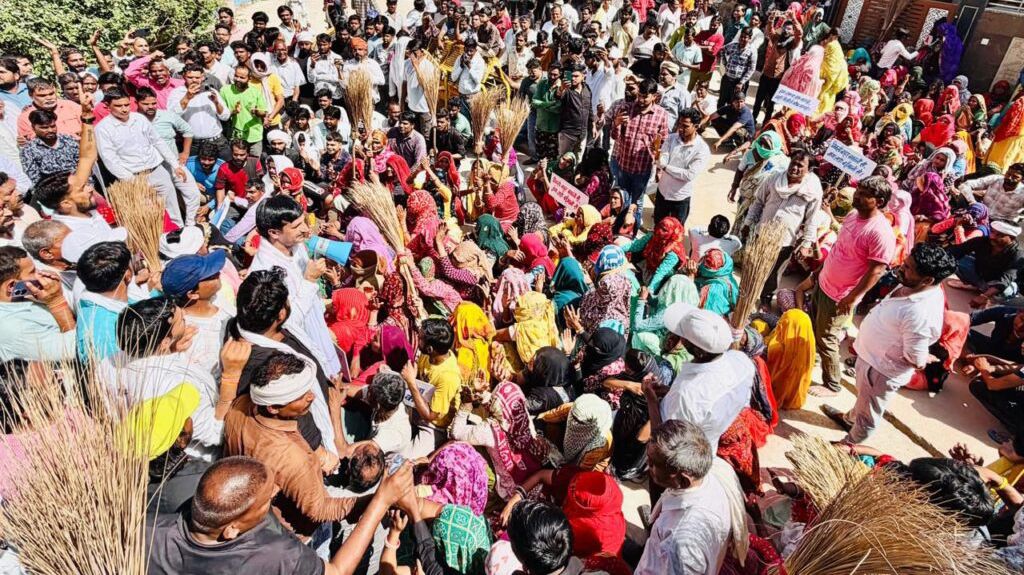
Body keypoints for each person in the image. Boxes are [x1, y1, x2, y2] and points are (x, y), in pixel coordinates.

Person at [146, 455, 415, 575]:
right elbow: (337, 571)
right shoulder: (273, 555)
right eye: (266, 500)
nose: (276, 490)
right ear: (231, 529)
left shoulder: (146, 532)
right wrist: (380, 501)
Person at [823, 243, 957, 443]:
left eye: (908, 267)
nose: (902, 267)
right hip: (870, 359)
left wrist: (922, 356)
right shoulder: (914, 284)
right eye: (906, 262)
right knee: (863, 398)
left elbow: (916, 359)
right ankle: (849, 419)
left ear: (927, 279)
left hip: (880, 371)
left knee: (868, 416)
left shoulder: (920, 314)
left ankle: (850, 445)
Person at [809, 176, 896, 397]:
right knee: (814, 327)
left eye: (865, 194)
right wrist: (821, 270)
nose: (857, 195)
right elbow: (840, 246)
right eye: (860, 190)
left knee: (827, 338)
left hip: (841, 295)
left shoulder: (880, 232)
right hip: (824, 282)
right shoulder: (852, 216)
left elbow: (876, 271)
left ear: (879, 200)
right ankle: (810, 358)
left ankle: (832, 384)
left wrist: (852, 297)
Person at [635, 419, 747, 575]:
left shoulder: (682, 543)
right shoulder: (718, 470)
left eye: (654, 464)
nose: (648, 467)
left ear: (682, 479)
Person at [248, 194, 341, 376]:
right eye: (297, 226)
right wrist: (309, 281)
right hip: (300, 348)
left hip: (318, 332)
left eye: (303, 222)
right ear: (274, 233)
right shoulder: (265, 274)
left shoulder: (295, 247)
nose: (306, 229)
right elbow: (285, 324)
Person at [648, 302, 754, 450]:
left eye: (682, 335)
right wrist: (669, 393)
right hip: (708, 443)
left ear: (691, 348)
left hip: (684, 454)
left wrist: (651, 400)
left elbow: (664, 442)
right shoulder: (741, 361)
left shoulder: (686, 393)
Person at [95, 88, 198, 227]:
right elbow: (110, 159)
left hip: (157, 171)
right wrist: (131, 180)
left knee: (172, 208)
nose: (124, 109)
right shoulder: (103, 128)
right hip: (133, 177)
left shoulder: (139, 119)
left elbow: (158, 142)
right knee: (150, 213)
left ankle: (179, 235)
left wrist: (175, 165)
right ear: (108, 106)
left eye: (126, 105)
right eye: (119, 106)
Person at [742, 150, 822, 304]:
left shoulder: (813, 189)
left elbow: (812, 218)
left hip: (785, 240)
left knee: (773, 273)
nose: (795, 168)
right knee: (753, 266)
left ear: (809, 169)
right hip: (762, 232)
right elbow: (758, 202)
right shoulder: (774, 178)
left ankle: (765, 299)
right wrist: (748, 223)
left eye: (800, 166)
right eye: (793, 163)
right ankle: (746, 297)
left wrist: (806, 244)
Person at [0, 246, 75, 363]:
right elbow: (75, 349)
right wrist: (57, 302)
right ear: (11, 287)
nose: (41, 274)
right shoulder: (14, 328)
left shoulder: (25, 297)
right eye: (33, 272)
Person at [606, 78, 669, 210]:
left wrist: (659, 169)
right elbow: (614, 136)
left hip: (643, 169)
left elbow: (663, 144)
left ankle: (633, 228)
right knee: (622, 200)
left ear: (654, 96)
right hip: (623, 166)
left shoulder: (661, 115)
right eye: (639, 96)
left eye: (645, 97)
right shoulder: (626, 109)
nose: (641, 100)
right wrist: (616, 124)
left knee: (637, 202)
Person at [947, 220, 1024, 306]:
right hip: (980, 274)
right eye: (992, 232)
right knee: (956, 260)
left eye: (999, 235)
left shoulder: (1018, 254)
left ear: (1012, 238)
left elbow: (1006, 279)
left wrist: (984, 296)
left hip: (995, 283)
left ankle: (984, 292)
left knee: (1007, 292)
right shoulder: (982, 241)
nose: (992, 236)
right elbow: (957, 251)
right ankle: (975, 286)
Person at [656, 108, 709, 224]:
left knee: (675, 234)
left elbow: (689, 175)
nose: (680, 128)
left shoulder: (702, 149)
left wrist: (665, 167)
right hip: (662, 193)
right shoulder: (671, 138)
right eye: (679, 124)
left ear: (696, 126)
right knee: (658, 229)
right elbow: (663, 157)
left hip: (680, 198)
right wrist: (663, 164)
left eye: (685, 126)